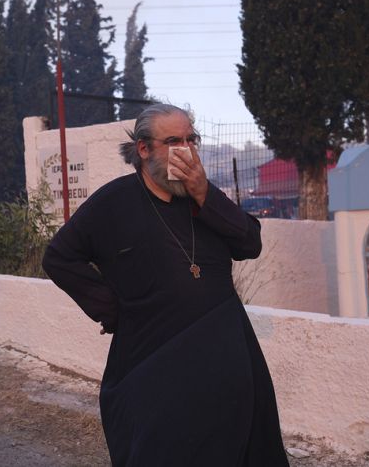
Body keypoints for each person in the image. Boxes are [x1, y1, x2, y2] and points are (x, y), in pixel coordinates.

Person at [42, 104, 288, 466]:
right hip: (154, 364)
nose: (186, 150)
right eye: (173, 141)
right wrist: (114, 309)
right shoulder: (113, 203)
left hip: (227, 364)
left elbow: (250, 244)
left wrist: (205, 193)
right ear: (144, 149)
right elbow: (59, 257)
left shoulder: (202, 197)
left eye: (192, 140)